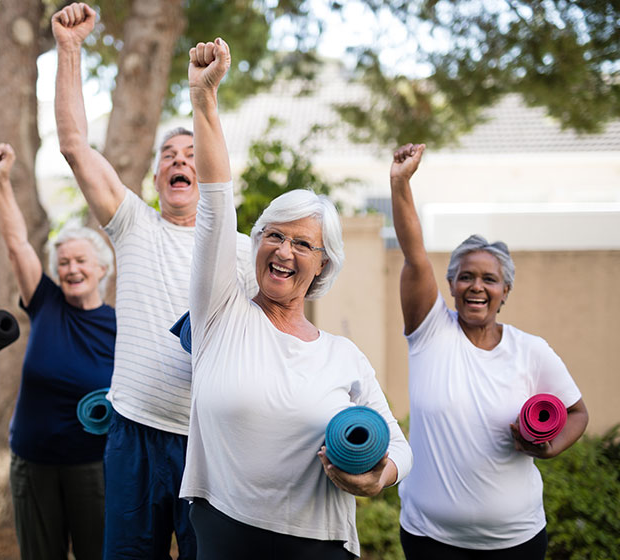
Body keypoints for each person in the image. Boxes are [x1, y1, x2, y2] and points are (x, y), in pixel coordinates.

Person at [179, 38, 413, 560]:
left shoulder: (343, 355)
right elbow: (215, 205)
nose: (284, 251)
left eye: (303, 244)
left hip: (320, 544)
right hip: (226, 534)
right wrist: (204, 99)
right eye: (274, 235)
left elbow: (399, 446)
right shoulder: (221, 314)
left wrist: (379, 477)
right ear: (257, 243)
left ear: (322, 263)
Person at [52, 4, 257, 559]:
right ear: (157, 175)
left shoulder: (243, 251)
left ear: (209, 169)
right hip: (134, 433)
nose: (178, 161)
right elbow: (74, 145)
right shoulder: (134, 224)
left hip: (210, 443)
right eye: (168, 155)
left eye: (191, 154)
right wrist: (69, 49)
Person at [389, 143, 589, 559]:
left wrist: (548, 447)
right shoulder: (430, 332)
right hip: (430, 540)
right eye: (466, 276)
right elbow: (415, 256)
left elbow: (577, 413)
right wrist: (400, 183)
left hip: (516, 542)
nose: (476, 286)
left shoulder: (531, 351)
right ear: (451, 285)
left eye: (489, 279)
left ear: (505, 291)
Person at [0, 143, 116, 560]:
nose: (71, 269)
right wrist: (0, 181)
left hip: (94, 467)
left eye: (80, 261)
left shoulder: (121, 325)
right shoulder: (45, 302)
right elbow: (16, 243)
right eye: (63, 263)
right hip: (34, 463)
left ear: (102, 268)